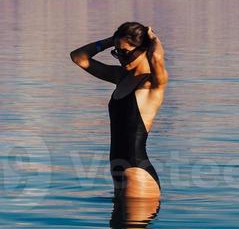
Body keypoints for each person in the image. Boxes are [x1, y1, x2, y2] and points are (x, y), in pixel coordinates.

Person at [70, 22, 168, 199]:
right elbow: (78, 57)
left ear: (144, 48)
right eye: (117, 53)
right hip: (119, 173)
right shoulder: (120, 76)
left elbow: (156, 59)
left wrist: (152, 38)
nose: (121, 58)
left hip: (137, 173)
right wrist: (111, 41)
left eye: (126, 53)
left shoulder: (152, 84)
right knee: (117, 227)